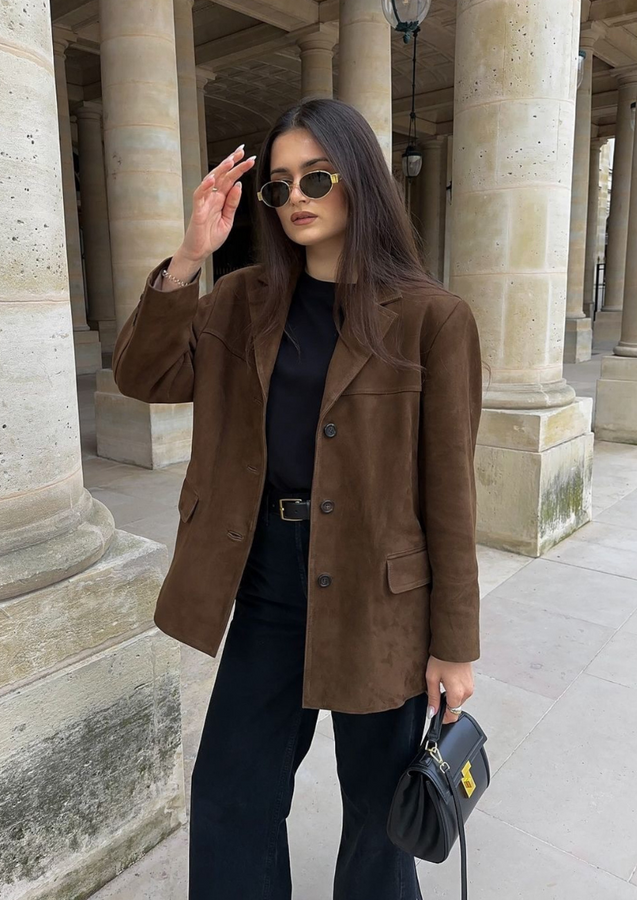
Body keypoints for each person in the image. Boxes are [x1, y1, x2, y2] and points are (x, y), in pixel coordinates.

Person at [112, 98, 483, 900]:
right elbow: (144, 376)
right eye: (279, 187)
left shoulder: (432, 319)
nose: (296, 197)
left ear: (362, 182)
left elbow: (451, 494)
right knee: (229, 798)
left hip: (380, 598)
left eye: (317, 176)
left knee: (380, 819)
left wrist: (455, 644)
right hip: (270, 583)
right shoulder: (243, 301)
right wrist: (187, 256)